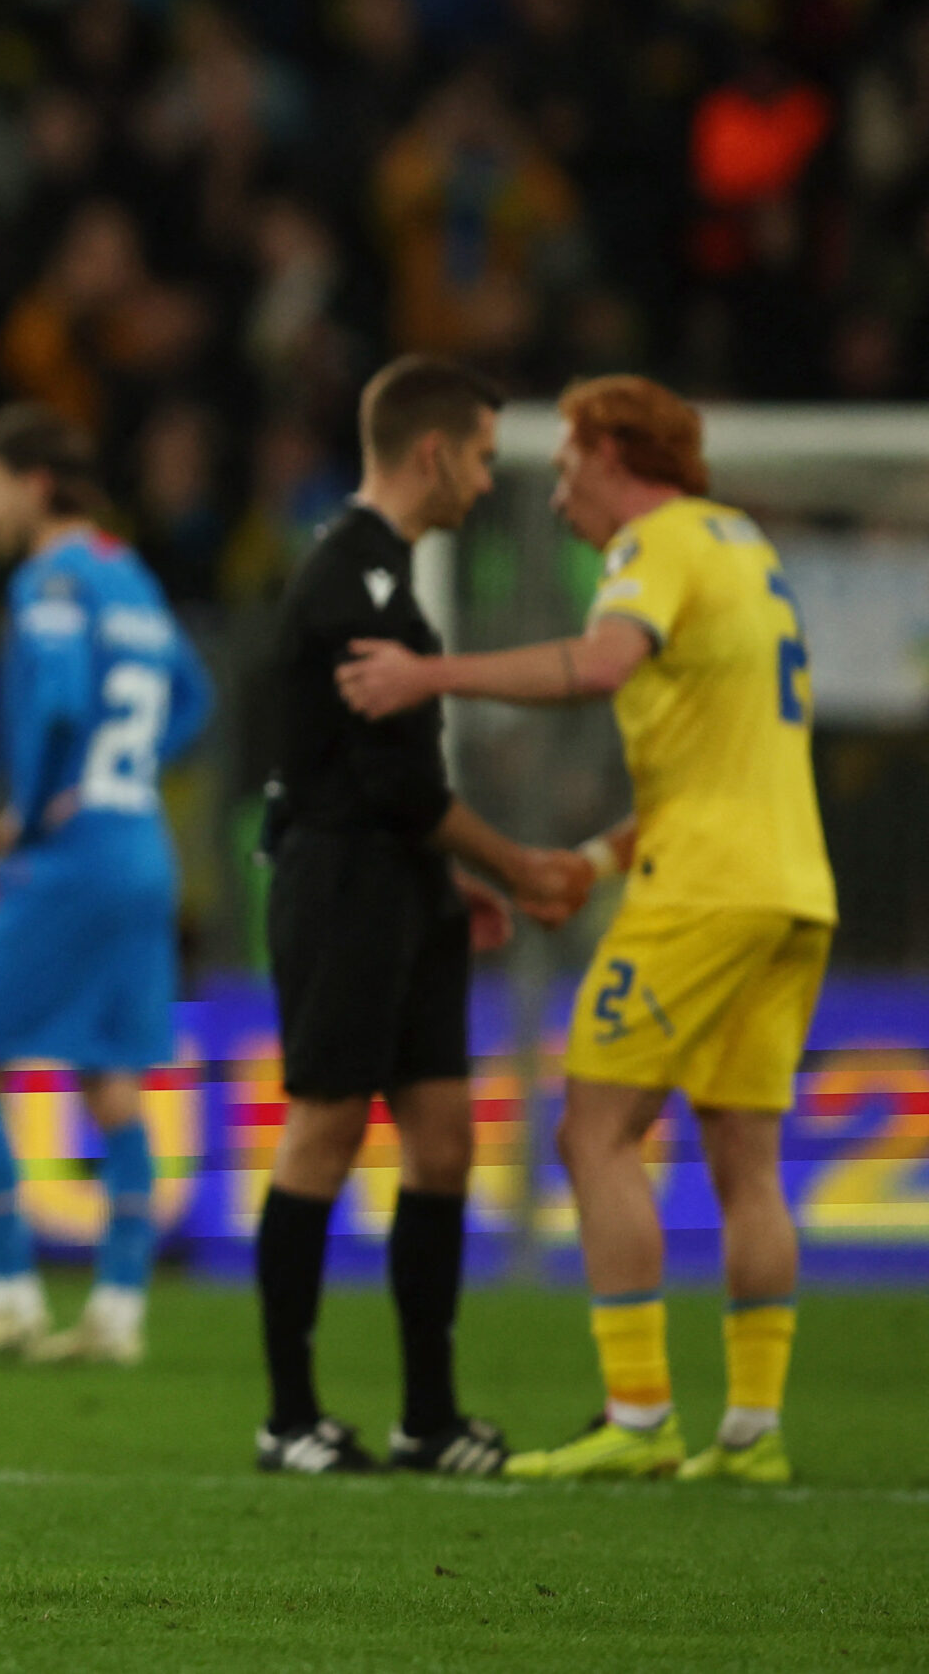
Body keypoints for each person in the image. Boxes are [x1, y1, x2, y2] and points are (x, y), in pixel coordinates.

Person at [338, 374, 832, 1485]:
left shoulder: (654, 543)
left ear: (611, 449)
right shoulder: (740, 543)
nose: (556, 492)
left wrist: (432, 675)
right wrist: (596, 858)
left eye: (564, 463)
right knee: (745, 1158)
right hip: (790, 886)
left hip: (701, 892)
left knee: (593, 1129)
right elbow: (720, 761)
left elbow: (600, 662)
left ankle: (639, 1414)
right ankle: (751, 1432)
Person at [255, 356, 590, 1476]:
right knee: (327, 1127)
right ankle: (289, 1413)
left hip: (406, 885)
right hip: (342, 877)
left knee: (443, 1138)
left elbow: (407, 788)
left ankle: (427, 1416)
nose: (490, 482)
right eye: (485, 458)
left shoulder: (392, 579)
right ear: (432, 452)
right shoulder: (345, 579)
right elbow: (392, 783)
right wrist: (516, 860)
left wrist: (461, 881)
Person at [0, 405, 210, 1370]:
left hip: (69, 863)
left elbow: (64, 698)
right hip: (144, 850)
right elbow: (196, 696)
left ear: (34, 482)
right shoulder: (131, 578)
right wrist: (127, 774)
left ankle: (10, 1294)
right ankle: (116, 1310)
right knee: (113, 1084)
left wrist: (30, 812)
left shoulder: (51, 579)